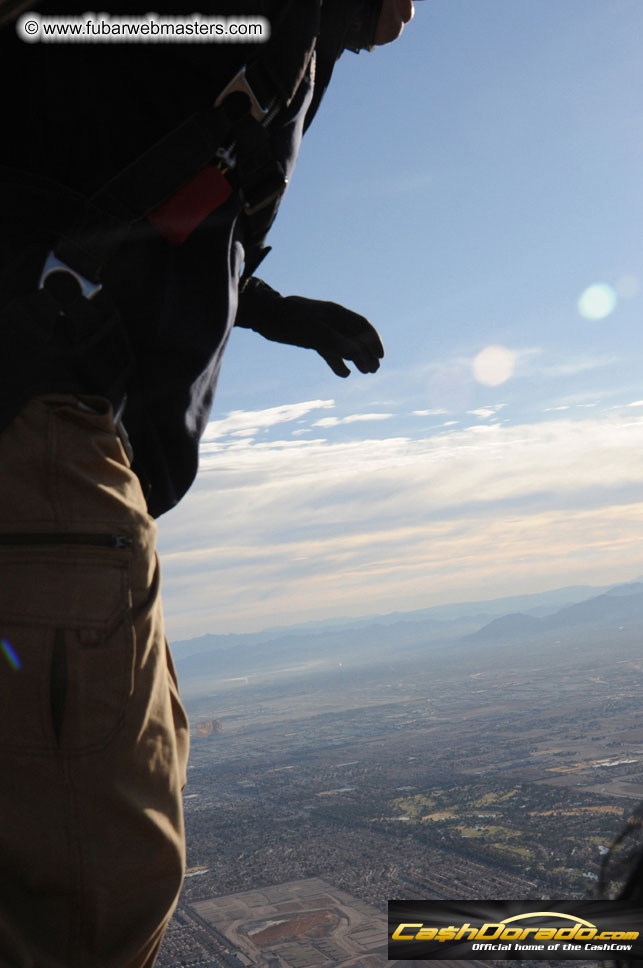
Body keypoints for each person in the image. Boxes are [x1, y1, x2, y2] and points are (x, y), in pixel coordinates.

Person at [0, 1, 417, 965]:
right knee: (90, 903)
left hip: (56, 426)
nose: (411, 13)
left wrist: (259, 305)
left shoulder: (271, 42)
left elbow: (112, 177)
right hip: (38, 424)